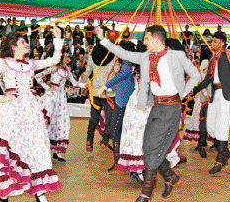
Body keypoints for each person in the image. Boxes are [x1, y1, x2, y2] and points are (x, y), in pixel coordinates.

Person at [97, 25, 200, 202]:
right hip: (155, 106)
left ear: (155, 39)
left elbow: (195, 75)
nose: (144, 42)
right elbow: (124, 54)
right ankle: (170, 177)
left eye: (146, 38)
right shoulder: (146, 58)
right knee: (147, 148)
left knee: (153, 149)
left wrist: (182, 93)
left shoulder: (176, 56)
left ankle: (146, 193)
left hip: (171, 107)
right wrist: (103, 39)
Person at [0, 27, 63, 202]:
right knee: (12, 147)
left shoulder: (31, 63)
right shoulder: (3, 63)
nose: (26, 45)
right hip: (12, 111)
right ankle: (4, 193)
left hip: (31, 110)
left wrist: (58, 39)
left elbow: (55, 59)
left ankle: (40, 192)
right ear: (13, 46)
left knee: (37, 146)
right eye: (22, 42)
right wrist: (0, 97)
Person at [192, 33, 230, 174]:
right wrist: (195, 89)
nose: (212, 43)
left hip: (228, 93)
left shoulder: (226, 55)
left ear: (222, 44)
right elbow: (208, 78)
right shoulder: (213, 58)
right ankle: (225, 152)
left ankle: (220, 159)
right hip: (217, 93)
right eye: (211, 41)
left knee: (222, 125)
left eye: (215, 41)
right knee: (211, 127)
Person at [35, 56, 86, 163]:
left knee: (61, 124)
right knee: (47, 122)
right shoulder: (54, 68)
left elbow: (74, 83)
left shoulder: (67, 69)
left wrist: (87, 85)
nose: (68, 59)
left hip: (61, 99)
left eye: (68, 58)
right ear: (61, 57)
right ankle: (41, 150)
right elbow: (38, 76)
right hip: (51, 97)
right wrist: (47, 88)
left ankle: (57, 153)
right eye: (66, 57)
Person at [97, 41, 135, 171]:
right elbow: (121, 80)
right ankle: (118, 160)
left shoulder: (127, 64)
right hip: (122, 101)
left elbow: (120, 77)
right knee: (116, 130)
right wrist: (111, 88)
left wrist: (105, 86)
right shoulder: (127, 63)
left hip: (123, 102)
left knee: (116, 131)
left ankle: (119, 161)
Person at [81, 41, 117, 152]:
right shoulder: (114, 57)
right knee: (109, 119)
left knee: (93, 118)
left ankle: (89, 140)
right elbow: (117, 72)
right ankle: (105, 141)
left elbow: (87, 74)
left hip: (95, 93)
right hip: (109, 93)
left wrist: (83, 85)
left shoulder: (92, 58)